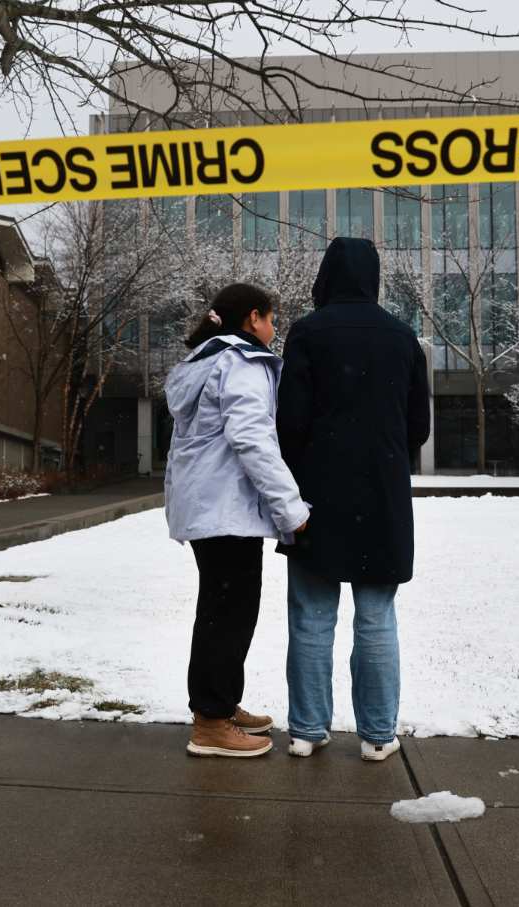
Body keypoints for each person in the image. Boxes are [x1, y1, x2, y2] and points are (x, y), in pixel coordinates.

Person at [276, 237, 431, 762]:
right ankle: (379, 734)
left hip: (318, 494)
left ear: (326, 276)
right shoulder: (402, 336)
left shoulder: (306, 333)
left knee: (312, 615)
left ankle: (307, 730)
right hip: (382, 496)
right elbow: (420, 427)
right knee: (376, 616)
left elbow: (289, 423)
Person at [164, 282, 311, 758]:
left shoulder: (203, 362)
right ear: (252, 318)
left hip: (208, 507)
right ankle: (210, 722)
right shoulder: (242, 363)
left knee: (220, 611)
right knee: (228, 615)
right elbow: (253, 440)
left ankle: (220, 707)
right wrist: (292, 510)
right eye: (272, 319)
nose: (274, 328)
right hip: (226, 510)